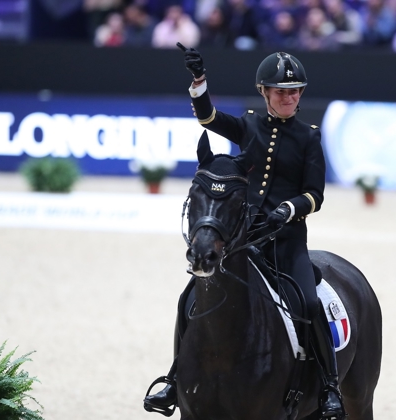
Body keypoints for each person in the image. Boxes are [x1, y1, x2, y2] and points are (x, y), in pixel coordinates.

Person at [143, 47, 345, 420]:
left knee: (309, 303)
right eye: (282, 91)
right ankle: (175, 379)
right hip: (245, 240)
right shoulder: (250, 125)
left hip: (285, 241)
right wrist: (199, 82)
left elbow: (315, 195)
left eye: (295, 91)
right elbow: (208, 117)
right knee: (190, 298)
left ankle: (330, 386)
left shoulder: (308, 137)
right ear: (264, 92)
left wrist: (287, 210)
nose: (290, 97)